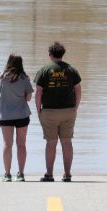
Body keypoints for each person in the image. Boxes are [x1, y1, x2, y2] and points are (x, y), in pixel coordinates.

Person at [34, 41, 81, 182]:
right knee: (67, 142)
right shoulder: (72, 70)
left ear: (50, 55)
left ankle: (49, 174)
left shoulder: (44, 70)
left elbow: (38, 93)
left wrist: (38, 111)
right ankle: (67, 174)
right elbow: (78, 90)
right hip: (69, 110)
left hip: (49, 111)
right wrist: (75, 107)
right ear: (62, 54)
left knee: (51, 143)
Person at [0, 54, 34, 182]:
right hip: (22, 115)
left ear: (9, 63)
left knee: (7, 144)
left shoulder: (1, 76)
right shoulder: (25, 78)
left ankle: (7, 174)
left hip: (5, 115)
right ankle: (21, 174)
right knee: (21, 144)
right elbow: (29, 98)